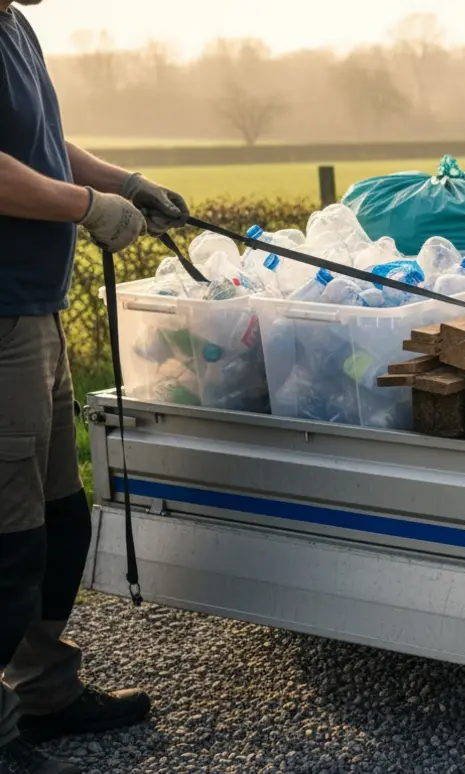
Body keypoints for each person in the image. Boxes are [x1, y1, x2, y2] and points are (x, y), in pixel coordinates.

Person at [1, 3, 190, 772]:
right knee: (5, 544)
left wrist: (126, 183)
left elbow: (40, 146)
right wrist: (88, 207)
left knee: (55, 525)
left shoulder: (13, 24)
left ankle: (44, 694)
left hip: (32, 310)